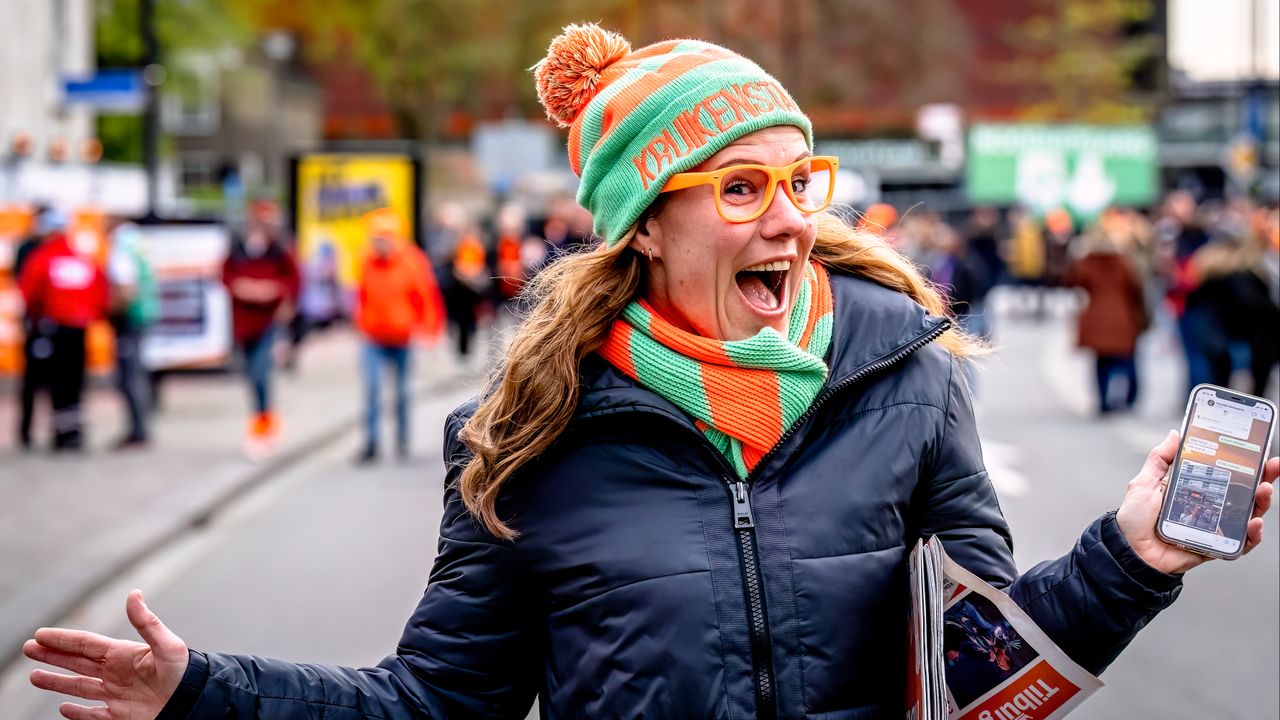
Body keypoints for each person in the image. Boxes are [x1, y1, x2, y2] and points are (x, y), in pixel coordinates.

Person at [23, 24, 1279, 720]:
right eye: (740, 188)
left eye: (798, 181)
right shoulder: (523, 432)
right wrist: (204, 695)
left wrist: (1132, 556)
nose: (787, 220)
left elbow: (976, 677)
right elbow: (431, 708)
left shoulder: (909, 377)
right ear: (646, 221)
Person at [353, 207, 444, 463]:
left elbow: (426, 297)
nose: (377, 244)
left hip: (403, 338)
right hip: (373, 337)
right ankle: (371, 443)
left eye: (382, 238)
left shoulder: (412, 261)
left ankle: (402, 440)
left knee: (402, 392)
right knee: (371, 389)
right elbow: (361, 293)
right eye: (374, 239)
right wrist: (360, 320)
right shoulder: (367, 261)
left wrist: (430, 330)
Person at [17, 208, 109, 450]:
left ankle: (58, 435)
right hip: (79, 330)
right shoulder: (82, 260)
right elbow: (101, 297)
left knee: (55, 382)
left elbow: (29, 294)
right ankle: (74, 434)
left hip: (51, 330)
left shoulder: (42, 259)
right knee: (75, 383)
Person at [221, 200, 299, 453]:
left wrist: (274, 292)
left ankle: (264, 427)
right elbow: (225, 275)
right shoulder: (238, 248)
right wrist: (241, 288)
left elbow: (293, 280)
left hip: (268, 320)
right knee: (250, 376)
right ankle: (261, 423)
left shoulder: (279, 249)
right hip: (244, 322)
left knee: (260, 372)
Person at [1066, 224, 1148, 415]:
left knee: (1100, 362)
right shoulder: (1124, 262)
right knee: (1125, 360)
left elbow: (1072, 281)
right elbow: (1136, 289)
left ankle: (1103, 400)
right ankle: (1126, 398)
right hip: (1122, 317)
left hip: (1095, 317)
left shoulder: (1087, 262)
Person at [105, 219, 158, 449]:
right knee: (138, 371)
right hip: (145, 313)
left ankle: (138, 430)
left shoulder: (121, 245)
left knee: (129, 375)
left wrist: (107, 310)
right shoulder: (139, 241)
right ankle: (141, 426)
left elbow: (125, 288)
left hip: (129, 317)